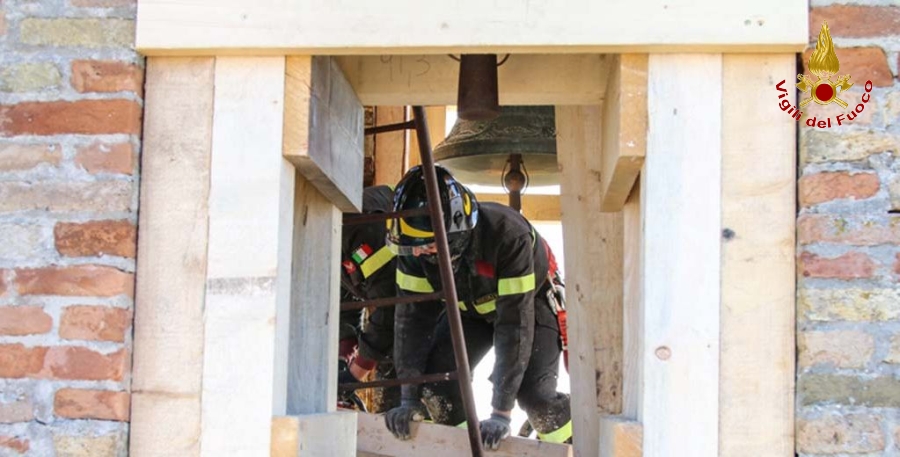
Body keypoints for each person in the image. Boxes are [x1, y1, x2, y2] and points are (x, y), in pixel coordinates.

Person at [383, 165, 572, 449]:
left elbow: (514, 325)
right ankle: (465, 451)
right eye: (413, 247)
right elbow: (411, 323)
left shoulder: (509, 236)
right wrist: (409, 397)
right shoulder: (414, 253)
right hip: (469, 310)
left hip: (528, 305)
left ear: (455, 235)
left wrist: (500, 413)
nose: (419, 252)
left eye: (427, 246)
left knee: (535, 397)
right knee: (437, 385)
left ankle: (574, 444)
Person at [337, 185, 401, 412]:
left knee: (402, 361)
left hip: (432, 307)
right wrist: (343, 355)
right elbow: (346, 295)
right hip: (395, 297)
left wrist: (355, 374)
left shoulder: (363, 232)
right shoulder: (329, 234)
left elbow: (389, 309)